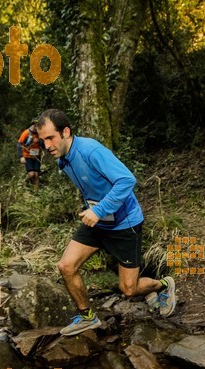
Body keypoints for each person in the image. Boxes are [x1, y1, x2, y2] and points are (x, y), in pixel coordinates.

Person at [35, 109, 177, 336]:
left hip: (124, 223)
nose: (47, 145)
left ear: (66, 132)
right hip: (98, 222)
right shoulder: (63, 159)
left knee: (129, 289)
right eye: (42, 141)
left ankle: (164, 285)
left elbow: (126, 180)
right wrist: (94, 210)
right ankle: (87, 317)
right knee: (66, 266)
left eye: (50, 138)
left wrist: (99, 209)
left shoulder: (91, 151)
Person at [17, 120, 42, 188]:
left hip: (37, 156)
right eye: (38, 126)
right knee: (31, 174)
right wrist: (21, 156)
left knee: (36, 175)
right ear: (34, 125)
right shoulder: (26, 133)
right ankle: (23, 183)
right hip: (27, 155)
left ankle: (36, 193)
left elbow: (43, 143)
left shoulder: (39, 133)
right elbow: (19, 144)